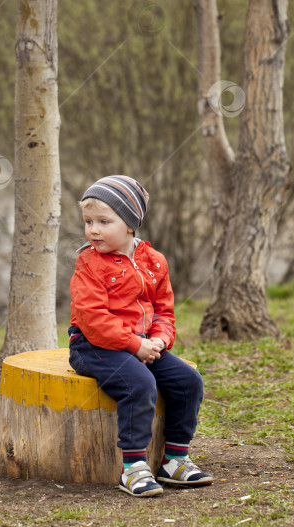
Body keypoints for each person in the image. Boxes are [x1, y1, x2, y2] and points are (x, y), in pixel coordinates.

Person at [68, 175, 213, 497]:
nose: (93, 230)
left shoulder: (154, 261)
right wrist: (135, 345)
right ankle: (132, 468)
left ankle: (175, 459)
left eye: (104, 221)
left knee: (188, 380)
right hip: (92, 345)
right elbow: (92, 318)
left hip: (143, 343)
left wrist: (160, 339)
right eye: (88, 221)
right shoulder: (89, 264)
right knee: (139, 384)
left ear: (131, 225)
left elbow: (165, 310)